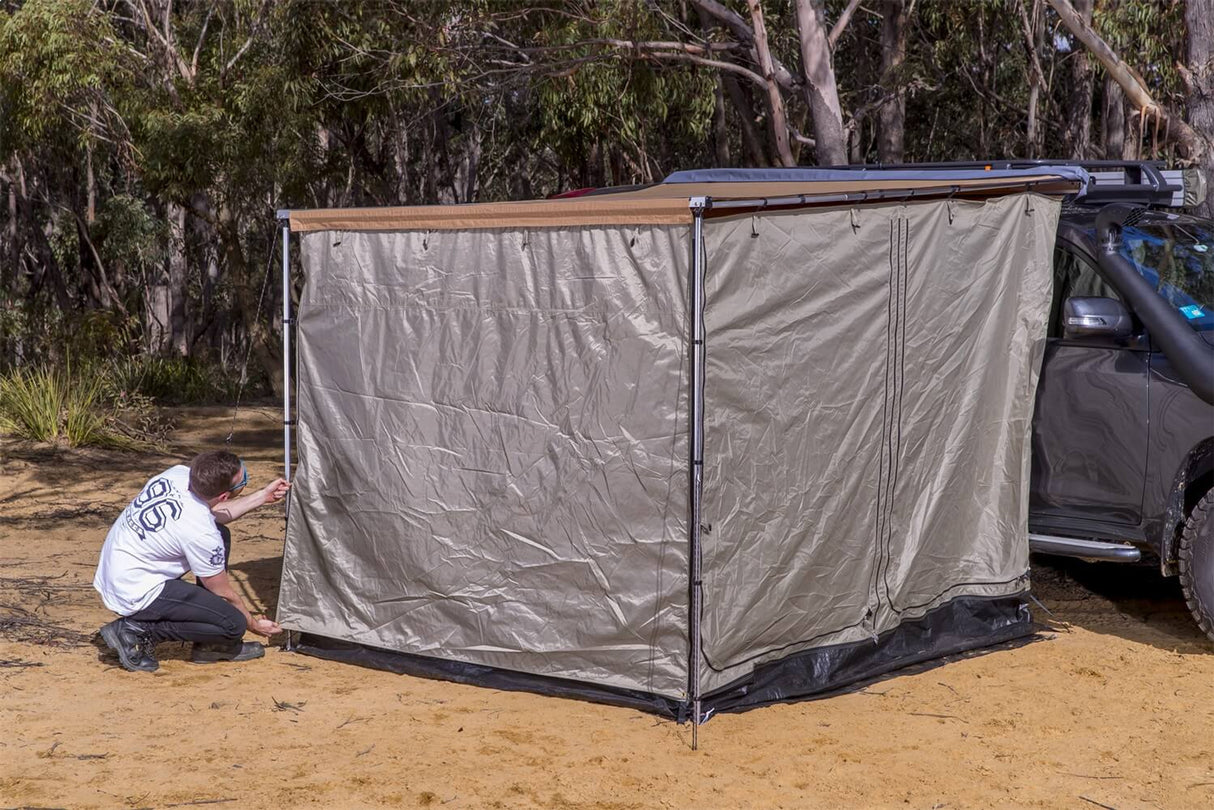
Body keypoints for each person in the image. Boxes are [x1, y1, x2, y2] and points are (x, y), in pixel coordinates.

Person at [93, 450, 290, 672]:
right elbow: (223, 592)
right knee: (234, 624)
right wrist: (253, 625)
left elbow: (212, 516)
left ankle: (209, 642)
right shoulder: (201, 533)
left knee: (220, 534)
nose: (247, 480)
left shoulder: (176, 475)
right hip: (135, 590)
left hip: (121, 568)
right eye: (244, 480)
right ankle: (135, 630)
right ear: (224, 496)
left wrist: (262, 496)